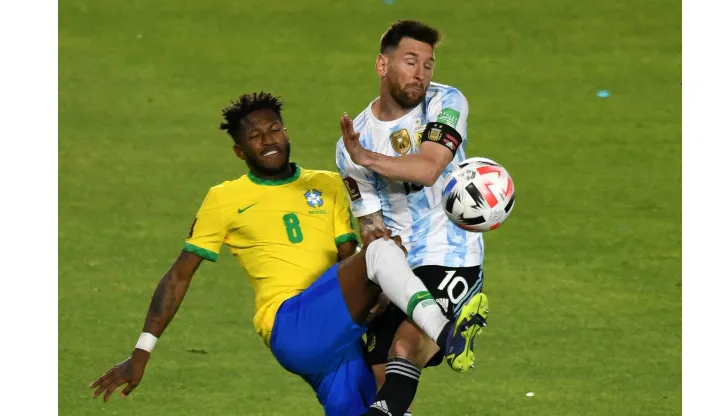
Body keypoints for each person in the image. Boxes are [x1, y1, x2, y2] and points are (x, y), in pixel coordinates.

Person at [89, 92, 488, 416]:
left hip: (339, 339)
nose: (268, 140)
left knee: (390, 411)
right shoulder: (225, 199)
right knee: (380, 251)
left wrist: (379, 296)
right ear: (239, 151)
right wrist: (141, 351)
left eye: (274, 129)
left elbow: (347, 260)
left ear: (286, 131)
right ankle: (447, 332)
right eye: (255, 136)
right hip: (291, 325)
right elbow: (179, 276)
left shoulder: (330, 185)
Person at [336, 20, 487, 416]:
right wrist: (382, 284)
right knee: (381, 375)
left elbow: (429, 167)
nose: (420, 73)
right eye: (410, 61)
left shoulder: (446, 102)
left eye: (428, 64)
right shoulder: (351, 143)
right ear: (382, 66)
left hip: (452, 254)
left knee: (406, 346)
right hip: (400, 266)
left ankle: (456, 327)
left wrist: (368, 158)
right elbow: (371, 225)